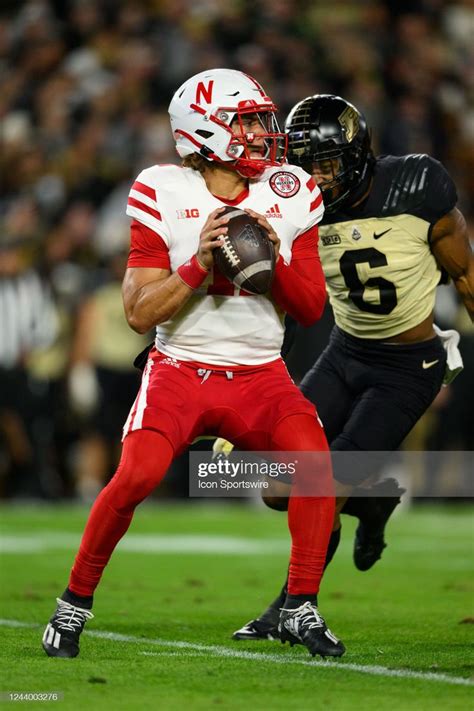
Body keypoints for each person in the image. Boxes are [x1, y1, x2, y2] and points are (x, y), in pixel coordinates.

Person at [42, 70, 346, 659]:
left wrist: (267, 257)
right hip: (181, 368)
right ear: (205, 132)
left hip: (261, 373)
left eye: (262, 118)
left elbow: (310, 307)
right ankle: (73, 602)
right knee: (135, 477)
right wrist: (200, 264)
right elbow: (137, 312)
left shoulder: (290, 191)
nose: (263, 132)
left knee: (314, 466)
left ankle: (300, 605)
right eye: (248, 121)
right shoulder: (163, 189)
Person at [233, 93, 474, 641]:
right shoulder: (295, 208)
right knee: (276, 487)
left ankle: (291, 608)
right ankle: (374, 500)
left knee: (322, 483)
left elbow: (465, 277)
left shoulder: (416, 187)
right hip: (345, 352)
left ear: (358, 153)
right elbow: (286, 306)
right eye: (305, 166)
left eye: (327, 164)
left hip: (408, 365)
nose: (316, 178)